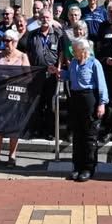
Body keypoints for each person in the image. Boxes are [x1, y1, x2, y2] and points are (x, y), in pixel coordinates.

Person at [57, 37, 108, 182]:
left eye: (75, 49)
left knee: (89, 135)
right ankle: (77, 166)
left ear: (83, 50)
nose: (72, 51)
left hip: (89, 98)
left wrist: (102, 103)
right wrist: (60, 73)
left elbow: (102, 84)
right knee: (77, 134)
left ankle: (88, 168)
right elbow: (70, 77)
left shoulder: (94, 63)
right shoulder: (73, 63)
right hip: (75, 98)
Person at [0, 29, 31, 168]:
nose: (5, 43)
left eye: (8, 41)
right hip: (0, 97)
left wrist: (14, 80)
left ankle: (12, 156)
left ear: (15, 42)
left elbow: (29, 77)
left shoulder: (23, 57)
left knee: (14, 127)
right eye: (4, 40)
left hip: (16, 96)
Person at [24, 8, 64, 140]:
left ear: (51, 18)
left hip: (52, 74)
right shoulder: (32, 34)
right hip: (36, 74)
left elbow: (61, 53)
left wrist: (58, 68)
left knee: (50, 104)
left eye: (47, 17)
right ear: (39, 19)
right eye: (43, 17)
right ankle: (36, 130)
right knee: (37, 103)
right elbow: (28, 53)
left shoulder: (58, 34)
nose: (45, 20)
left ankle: (49, 132)